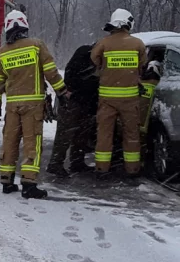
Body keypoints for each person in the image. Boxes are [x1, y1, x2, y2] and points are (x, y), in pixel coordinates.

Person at [0, 10, 69, 199]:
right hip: (32, 105)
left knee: (10, 141)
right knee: (32, 143)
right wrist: (62, 91)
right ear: (24, 26)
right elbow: (50, 72)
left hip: (12, 106)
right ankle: (28, 184)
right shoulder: (36, 45)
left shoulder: (2, 52)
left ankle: (7, 181)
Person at [90, 9, 147, 179]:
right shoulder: (138, 44)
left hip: (107, 99)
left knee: (104, 134)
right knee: (131, 134)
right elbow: (142, 65)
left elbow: (94, 61)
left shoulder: (103, 43)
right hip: (130, 99)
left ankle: (102, 169)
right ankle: (132, 169)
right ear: (128, 23)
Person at [46, 42, 99, 177]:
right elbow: (71, 76)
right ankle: (56, 164)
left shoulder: (95, 57)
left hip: (86, 102)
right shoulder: (84, 53)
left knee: (81, 134)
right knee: (65, 134)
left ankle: (77, 162)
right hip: (72, 100)